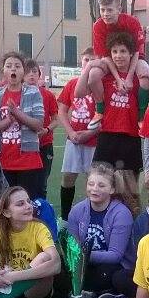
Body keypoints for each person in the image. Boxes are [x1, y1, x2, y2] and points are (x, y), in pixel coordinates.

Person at [76, 32, 149, 197]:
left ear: (131, 53)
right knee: (98, 187)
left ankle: (129, 221)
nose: (119, 55)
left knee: (129, 192)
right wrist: (88, 66)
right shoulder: (104, 76)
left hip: (130, 138)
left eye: (123, 51)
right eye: (115, 51)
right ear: (109, 55)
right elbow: (79, 92)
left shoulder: (139, 77)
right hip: (106, 137)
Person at [67, 164, 136, 298]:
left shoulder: (121, 213)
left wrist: (82, 254)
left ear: (112, 189)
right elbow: (71, 245)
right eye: (91, 184)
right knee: (60, 273)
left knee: (109, 275)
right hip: (85, 264)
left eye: (101, 185)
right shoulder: (77, 210)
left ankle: (95, 293)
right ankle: (89, 292)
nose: (94, 189)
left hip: (111, 266)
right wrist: (73, 255)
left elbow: (115, 256)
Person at [0, 52, 45, 200]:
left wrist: (17, 113)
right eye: (9, 66)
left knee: (26, 203)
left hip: (28, 161)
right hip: (2, 161)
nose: (13, 69)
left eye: (17, 66)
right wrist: (8, 121)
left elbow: (38, 124)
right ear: (3, 71)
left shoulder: (33, 92)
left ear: (23, 71)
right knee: (3, 203)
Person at [86, 0, 149, 124]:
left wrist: (129, 78)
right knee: (93, 76)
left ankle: (141, 115)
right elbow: (105, 56)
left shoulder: (132, 22)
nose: (105, 14)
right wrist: (118, 78)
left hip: (134, 58)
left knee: (144, 76)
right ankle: (99, 110)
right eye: (102, 10)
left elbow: (137, 51)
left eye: (109, 10)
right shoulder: (98, 26)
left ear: (119, 9)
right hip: (110, 60)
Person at [57, 47, 98, 219]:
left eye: (92, 60)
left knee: (93, 182)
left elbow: (106, 116)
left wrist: (89, 133)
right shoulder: (72, 84)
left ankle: (92, 217)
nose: (88, 63)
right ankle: (65, 219)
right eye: (86, 60)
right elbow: (62, 111)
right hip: (73, 140)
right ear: (81, 62)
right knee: (68, 178)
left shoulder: (100, 84)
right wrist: (71, 132)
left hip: (94, 141)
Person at [25, 59, 59, 199]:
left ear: (39, 75)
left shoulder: (48, 95)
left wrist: (47, 130)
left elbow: (56, 120)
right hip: (25, 146)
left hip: (44, 144)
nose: (31, 75)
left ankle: (40, 213)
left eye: (34, 72)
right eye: (28, 72)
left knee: (42, 183)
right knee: (24, 183)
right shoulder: (18, 94)